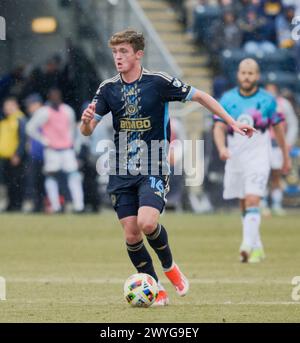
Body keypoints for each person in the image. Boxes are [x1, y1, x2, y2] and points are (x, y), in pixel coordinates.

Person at [80, 29, 255, 306]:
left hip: (154, 164)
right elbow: (87, 131)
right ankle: (156, 289)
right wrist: (87, 121)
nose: (118, 57)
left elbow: (200, 96)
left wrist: (232, 123)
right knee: (131, 233)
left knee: (147, 222)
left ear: (138, 54)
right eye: (115, 52)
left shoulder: (158, 82)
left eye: (123, 51)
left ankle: (171, 268)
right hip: (121, 169)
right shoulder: (108, 88)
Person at [213, 58, 291, 264]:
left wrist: (285, 156)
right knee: (243, 202)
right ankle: (257, 247)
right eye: (243, 73)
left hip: (258, 157)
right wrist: (222, 148)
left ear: (257, 76)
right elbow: (219, 127)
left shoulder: (268, 100)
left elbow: (279, 130)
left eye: (251, 73)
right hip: (236, 157)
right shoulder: (228, 99)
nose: (247, 76)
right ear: (238, 75)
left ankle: (246, 246)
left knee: (252, 199)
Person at [26, 88, 84, 213]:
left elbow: (72, 129)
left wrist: (74, 146)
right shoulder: (44, 112)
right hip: (52, 149)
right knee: (51, 176)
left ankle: (79, 206)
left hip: (67, 149)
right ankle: (56, 206)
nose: (55, 99)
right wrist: (44, 140)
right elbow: (30, 128)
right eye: (53, 96)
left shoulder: (67, 110)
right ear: (49, 98)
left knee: (74, 176)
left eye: (57, 96)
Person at [263, 83, 299, 215]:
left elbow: (293, 123)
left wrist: (288, 142)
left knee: (276, 175)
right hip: (263, 145)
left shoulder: (283, 104)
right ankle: (263, 203)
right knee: (262, 175)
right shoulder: (259, 103)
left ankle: (276, 204)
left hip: (278, 145)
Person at [0, 97, 26, 211]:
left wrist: (18, 154)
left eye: (9, 106)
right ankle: (10, 205)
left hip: (14, 156)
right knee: (7, 183)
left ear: (16, 106)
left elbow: (22, 138)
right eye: (5, 106)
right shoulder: (5, 119)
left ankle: (17, 205)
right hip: (4, 156)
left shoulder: (19, 119)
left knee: (16, 182)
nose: (7, 108)